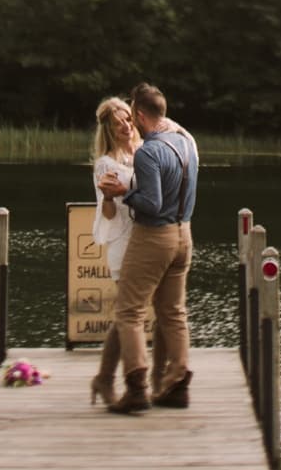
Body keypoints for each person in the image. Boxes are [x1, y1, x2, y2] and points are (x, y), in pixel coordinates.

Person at [96, 81, 199, 413]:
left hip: (155, 236)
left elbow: (151, 204)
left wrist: (124, 193)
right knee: (173, 312)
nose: (130, 124)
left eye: (132, 114)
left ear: (139, 114)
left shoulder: (149, 151)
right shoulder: (186, 142)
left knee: (129, 311)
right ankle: (177, 384)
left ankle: (137, 388)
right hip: (184, 232)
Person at [88, 95, 140, 406]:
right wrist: (108, 198)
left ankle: (105, 378)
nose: (125, 125)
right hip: (123, 241)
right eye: (118, 121)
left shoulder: (143, 154)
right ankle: (106, 379)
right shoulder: (105, 164)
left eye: (128, 119)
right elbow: (107, 214)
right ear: (109, 129)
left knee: (126, 313)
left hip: (148, 239)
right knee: (126, 313)